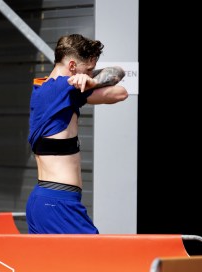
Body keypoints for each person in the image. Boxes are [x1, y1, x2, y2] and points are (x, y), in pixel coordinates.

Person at [26, 33, 129, 234]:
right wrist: (93, 83)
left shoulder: (47, 87)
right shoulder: (67, 89)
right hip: (59, 204)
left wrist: (90, 81)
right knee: (99, 262)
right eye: (88, 70)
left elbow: (119, 71)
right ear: (73, 66)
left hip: (44, 201)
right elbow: (121, 92)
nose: (90, 75)